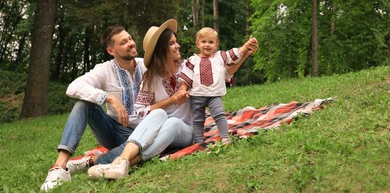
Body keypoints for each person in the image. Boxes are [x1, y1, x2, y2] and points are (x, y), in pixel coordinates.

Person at [86, 19, 258, 180]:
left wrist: (245, 54)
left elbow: (225, 74)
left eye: (176, 41)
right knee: (160, 113)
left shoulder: (188, 66)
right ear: (161, 49)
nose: (178, 45)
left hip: (186, 131)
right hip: (158, 132)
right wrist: (171, 101)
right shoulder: (150, 78)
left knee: (173, 122)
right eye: (172, 43)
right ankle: (122, 163)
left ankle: (118, 161)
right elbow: (139, 111)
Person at [40, 26, 147, 191]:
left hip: (141, 134)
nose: (131, 44)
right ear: (111, 50)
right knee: (84, 104)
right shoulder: (105, 69)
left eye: (130, 39)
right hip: (112, 130)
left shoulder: (145, 65)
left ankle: (89, 162)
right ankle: (59, 167)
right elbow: (74, 87)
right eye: (124, 42)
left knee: (149, 146)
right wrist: (109, 97)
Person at [178, 27, 257, 144]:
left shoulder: (220, 57)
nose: (207, 45)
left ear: (216, 45)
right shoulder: (192, 60)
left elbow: (235, 54)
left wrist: (246, 46)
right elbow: (187, 77)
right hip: (196, 96)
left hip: (214, 95)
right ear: (198, 44)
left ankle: (225, 137)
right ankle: (198, 141)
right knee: (197, 120)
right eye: (203, 42)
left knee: (219, 115)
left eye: (211, 42)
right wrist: (183, 89)